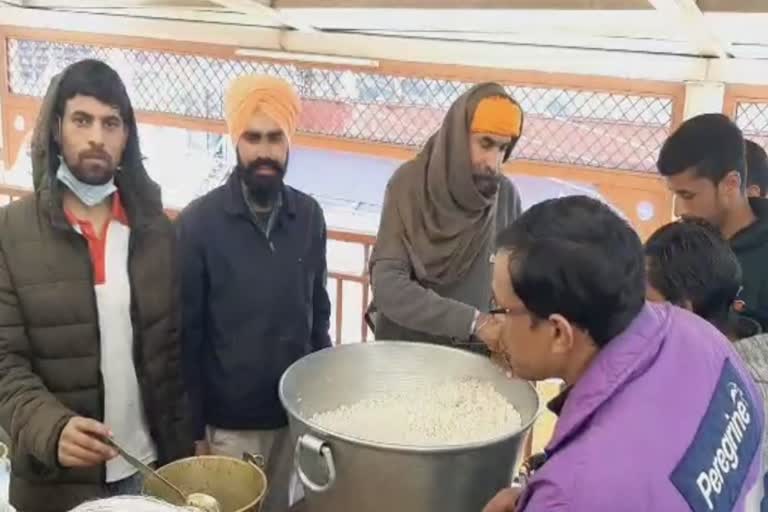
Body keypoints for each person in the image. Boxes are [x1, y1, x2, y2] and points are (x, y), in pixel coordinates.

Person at [482, 196, 765, 512]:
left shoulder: (575, 490)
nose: (496, 323)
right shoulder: (704, 338)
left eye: (503, 309)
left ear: (559, 333)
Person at [0, 59, 191, 512]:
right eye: (82, 120)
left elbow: (175, 355)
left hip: (149, 472)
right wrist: (50, 428)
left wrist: (187, 448)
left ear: (127, 137)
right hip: (56, 484)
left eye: (111, 123)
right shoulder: (11, 234)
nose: (96, 138)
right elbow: (4, 362)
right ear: (57, 129)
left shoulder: (155, 232)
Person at [177, 75, 331, 512]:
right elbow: (187, 334)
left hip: (294, 419)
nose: (264, 151)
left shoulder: (309, 216)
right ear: (235, 140)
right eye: (253, 137)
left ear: (289, 140)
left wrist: (322, 403)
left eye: (275, 137)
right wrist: (193, 431)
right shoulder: (198, 224)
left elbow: (318, 314)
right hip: (230, 426)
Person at [369, 83, 523, 349]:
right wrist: (473, 323)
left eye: (502, 149)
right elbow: (388, 286)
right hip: (407, 355)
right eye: (485, 143)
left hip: (473, 364)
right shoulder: (409, 185)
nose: (493, 163)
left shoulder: (505, 195)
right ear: (458, 137)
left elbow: (515, 288)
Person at [644, 218, 768, 470]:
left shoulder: (721, 401)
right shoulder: (751, 345)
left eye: (646, 301)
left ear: (682, 310)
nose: (638, 313)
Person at [657, 113, 768, 329]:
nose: (679, 210)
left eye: (688, 196)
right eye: (674, 194)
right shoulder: (676, 247)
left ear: (730, 184)